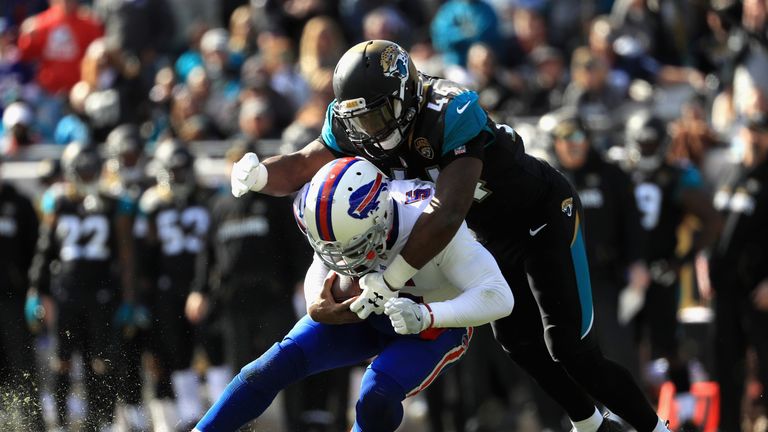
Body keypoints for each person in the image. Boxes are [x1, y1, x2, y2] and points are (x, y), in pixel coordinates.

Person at [231, 39, 672, 432]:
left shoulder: (450, 108)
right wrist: (259, 174)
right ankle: (591, 426)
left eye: (379, 115)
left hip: (539, 217)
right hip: (485, 235)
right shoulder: (356, 119)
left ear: (403, 95)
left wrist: (386, 282)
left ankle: (656, 429)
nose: (369, 130)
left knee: (571, 349)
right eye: (360, 120)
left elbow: (447, 213)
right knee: (519, 344)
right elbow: (307, 162)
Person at [195, 156, 515, 432]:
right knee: (269, 366)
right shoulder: (344, 224)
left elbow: (499, 296)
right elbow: (323, 258)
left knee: (376, 393)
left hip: (430, 325)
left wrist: (426, 316)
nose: (345, 260)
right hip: (363, 312)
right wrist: (315, 302)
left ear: (379, 219)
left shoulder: (431, 221)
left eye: (353, 248)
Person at [27, 142, 134, 430]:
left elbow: (124, 255)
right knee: (61, 360)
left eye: (91, 170)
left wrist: (129, 297)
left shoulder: (114, 202)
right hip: (66, 293)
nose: (87, 176)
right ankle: (60, 424)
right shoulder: (58, 201)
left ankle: (104, 423)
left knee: (101, 362)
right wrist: (37, 290)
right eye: (82, 170)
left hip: (101, 293)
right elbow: (45, 249)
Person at [623, 112, 721, 424]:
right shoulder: (620, 171)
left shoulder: (677, 174)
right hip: (625, 271)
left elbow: (711, 220)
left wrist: (682, 260)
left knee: (667, 342)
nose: (648, 149)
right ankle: (632, 412)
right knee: (624, 343)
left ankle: (688, 414)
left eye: (653, 143)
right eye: (643, 143)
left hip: (658, 269)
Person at [545, 109, 648, 381]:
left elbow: (632, 224)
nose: (572, 144)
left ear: (588, 139)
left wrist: (638, 265)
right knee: (565, 354)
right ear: (555, 143)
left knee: (617, 350)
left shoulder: (611, 175)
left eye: (577, 136)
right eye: (564, 138)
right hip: (561, 281)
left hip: (604, 277)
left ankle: (629, 418)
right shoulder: (546, 178)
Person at [135, 139, 225, 430]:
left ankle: (226, 410)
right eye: (173, 170)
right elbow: (143, 254)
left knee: (214, 348)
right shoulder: (152, 204)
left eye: (183, 169)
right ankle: (189, 418)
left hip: (204, 285)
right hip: (168, 288)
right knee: (177, 351)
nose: (179, 175)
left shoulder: (209, 198)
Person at [708, 107, 768, 432]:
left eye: (762, 132)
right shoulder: (731, 174)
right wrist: (705, 266)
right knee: (726, 371)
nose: (755, 138)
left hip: (760, 291)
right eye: (751, 131)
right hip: (726, 292)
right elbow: (715, 228)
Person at [0, 155, 44, 430]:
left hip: (13, 301)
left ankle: (32, 425)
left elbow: (37, 254)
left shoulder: (20, 204)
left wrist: (35, 290)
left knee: (23, 366)